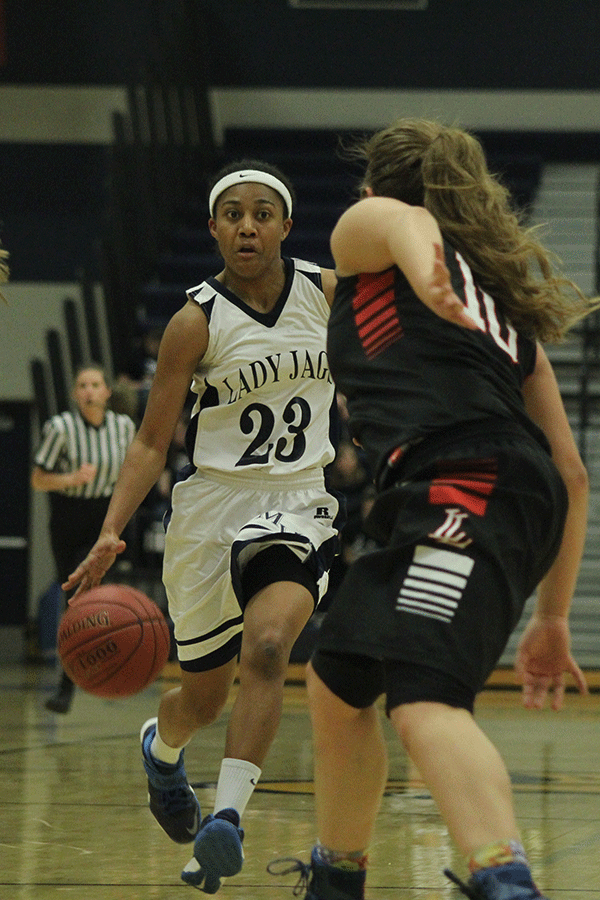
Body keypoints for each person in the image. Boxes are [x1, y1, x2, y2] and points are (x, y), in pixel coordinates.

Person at [268, 119, 595, 900]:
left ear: (372, 187)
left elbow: (408, 224)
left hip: (465, 478)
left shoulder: (370, 237)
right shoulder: (505, 317)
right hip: (467, 484)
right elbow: (574, 474)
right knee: (339, 684)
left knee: (423, 699)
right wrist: (550, 620)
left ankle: (504, 881)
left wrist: (425, 265)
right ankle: (335, 880)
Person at [63, 159, 342, 892]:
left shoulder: (326, 292)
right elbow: (153, 442)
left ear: (285, 224)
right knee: (203, 699)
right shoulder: (194, 322)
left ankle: (226, 820)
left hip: (297, 500)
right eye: (232, 215)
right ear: (214, 227)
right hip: (211, 511)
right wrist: (110, 528)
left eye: (261, 213)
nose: (246, 226)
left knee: (273, 645)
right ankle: (162, 748)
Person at [31, 363, 136, 713]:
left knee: (107, 597)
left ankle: (110, 674)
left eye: (95, 384)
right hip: (69, 517)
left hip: (107, 516)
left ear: (107, 391)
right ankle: (66, 684)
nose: (89, 391)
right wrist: (71, 478)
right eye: (82, 385)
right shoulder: (60, 427)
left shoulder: (123, 428)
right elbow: (38, 479)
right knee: (75, 598)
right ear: (76, 394)